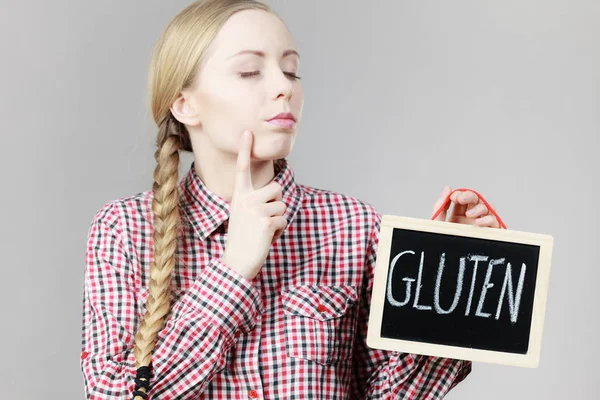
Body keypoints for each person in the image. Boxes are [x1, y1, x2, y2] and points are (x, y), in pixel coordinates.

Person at [80, 0, 502, 399]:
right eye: (249, 72)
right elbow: (111, 392)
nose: (284, 88)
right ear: (184, 103)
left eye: (291, 71)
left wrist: (451, 292)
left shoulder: (354, 226)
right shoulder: (124, 229)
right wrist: (233, 269)